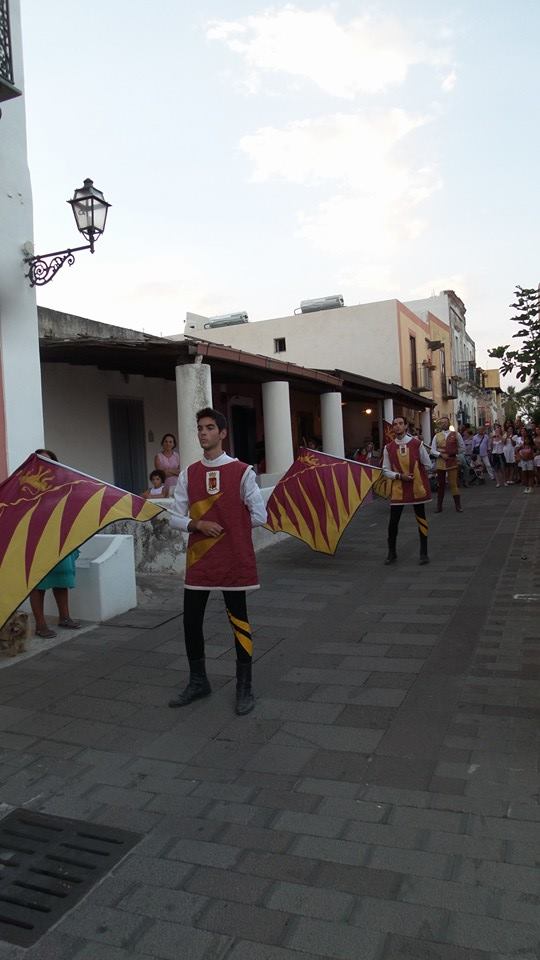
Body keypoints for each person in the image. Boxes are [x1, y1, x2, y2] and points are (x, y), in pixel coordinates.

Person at [169, 408, 267, 715]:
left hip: (232, 558)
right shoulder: (189, 473)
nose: (203, 433)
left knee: (238, 622)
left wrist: (230, 529)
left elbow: (260, 516)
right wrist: (197, 525)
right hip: (200, 560)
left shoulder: (242, 471)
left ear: (223, 433)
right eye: (200, 428)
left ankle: (244, 687)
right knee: (190, 622)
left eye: (210, 428)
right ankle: (198, 681)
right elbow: (174, 516)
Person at [29, 449, 81, 639]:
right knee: (38, 581)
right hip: (36, 539)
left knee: (62, 576)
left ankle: (64, 617)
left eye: (49, 461)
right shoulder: (26, 484)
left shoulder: (62, 483)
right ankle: (40, 625)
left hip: (59, 536)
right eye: (41, 460)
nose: (45, 464)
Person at [382, 415, 432, 566]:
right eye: (395, 424)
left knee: (421, 520)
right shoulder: (388, 448)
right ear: (392, 428)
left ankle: (424, 553)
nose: (397, 426)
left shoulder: (417, 444)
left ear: (405, 427)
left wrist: (417, 474)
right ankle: (392, 552)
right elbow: (385, 470)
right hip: (398, 488)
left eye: (400, 423)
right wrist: (399, 476)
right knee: (393, 523)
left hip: (417, 488)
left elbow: (427, 464)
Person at [431, 417, 466, 512]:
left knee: (453, 484)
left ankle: (458, 505)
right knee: (440, 484)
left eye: (445, 422)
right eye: (441, 423)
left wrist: (452, 453)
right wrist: (440, 454)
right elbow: (432, 450)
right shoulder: (436, 436)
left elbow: (462, 448)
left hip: (452, 461)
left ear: (448, 423)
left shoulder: (456, 435)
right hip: (440, 462)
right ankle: (439, 506)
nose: (443, 424)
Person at [517, 428, 535, 494]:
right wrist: (521, 457)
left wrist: (530, 457)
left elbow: (534, 453)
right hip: (523, 461)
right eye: (525, 439)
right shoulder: (522, 446)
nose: (526, 440)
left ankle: (531, 487)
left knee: (530, 474)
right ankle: (526, 487)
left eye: (528, 439)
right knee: (524, 474)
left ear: (530, 440)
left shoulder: (532, 446)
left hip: (530, 461)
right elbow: (517, 451)